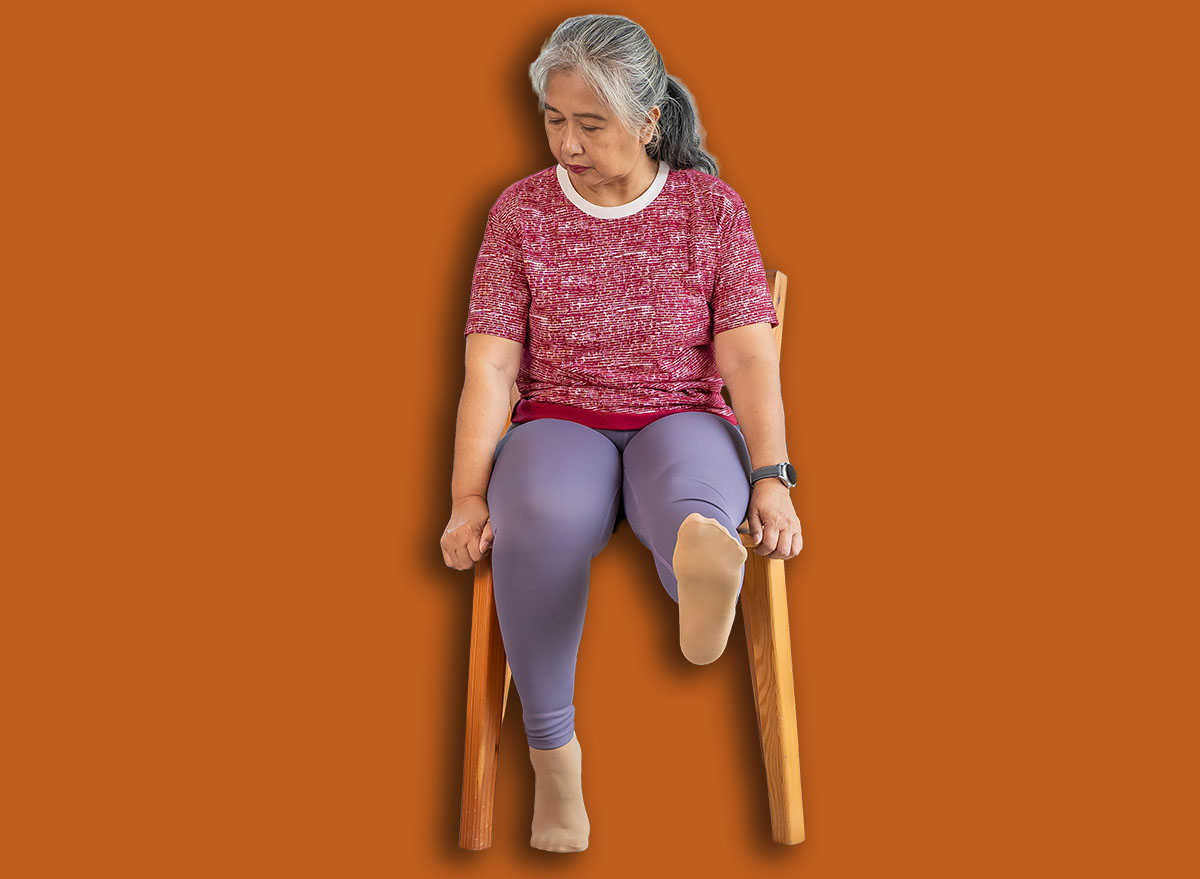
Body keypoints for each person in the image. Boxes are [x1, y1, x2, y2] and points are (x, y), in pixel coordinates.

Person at [441, 14, 803, 853]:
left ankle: (701, 582)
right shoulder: (519, 213)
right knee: (537, 515)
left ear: (647, 121)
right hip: (558, 417)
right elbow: (490, 371)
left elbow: (750, 358)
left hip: (682, 412)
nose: (567, 142)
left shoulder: (711, 208)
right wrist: (466, 497)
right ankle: (554, 760)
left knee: (691, 504)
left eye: (591, 124)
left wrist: (774, 474)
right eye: (554, 119)